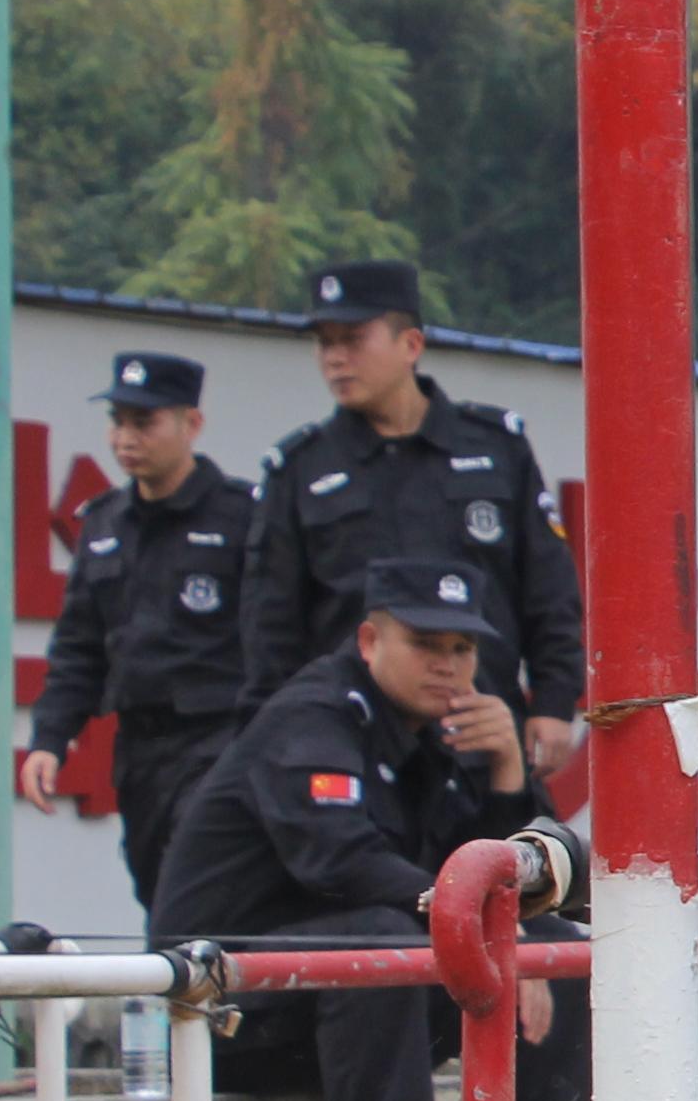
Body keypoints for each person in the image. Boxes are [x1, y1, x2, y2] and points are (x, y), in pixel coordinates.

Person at [145, 559, 597, 1101]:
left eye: (462, 650)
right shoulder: (313, 719)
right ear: (369, 642)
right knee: (383, 948)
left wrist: (510, 771)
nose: (448, 667)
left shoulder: (438, 735)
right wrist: (486, 928)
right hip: (231, 1006)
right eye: (426, 644)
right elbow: (343, 864)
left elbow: (495, 878)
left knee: (548, 943)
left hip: (350, 1012)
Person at [242, 261, 590, 788]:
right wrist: (278, 740)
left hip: (481, 734)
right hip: (350, 747)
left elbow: (548, 587)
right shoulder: (300, 470)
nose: (335, 358)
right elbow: (269, 629)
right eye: (325, 343)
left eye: (354, 339)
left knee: (502, 868)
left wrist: (555, 700)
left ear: (410, 344)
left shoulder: (494, 447)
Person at [18, 349, 260, 906]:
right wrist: (50, 740)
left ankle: (224, 994)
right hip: (141, 748)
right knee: (155, 888)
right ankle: (185, 998)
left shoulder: (241, 516)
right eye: (118, 421)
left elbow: (277, 637)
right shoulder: (104, 522)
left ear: (191, 424)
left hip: (221, 737)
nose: (126, 437)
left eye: (144, 423)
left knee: (198, 881)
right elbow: (79, 648)